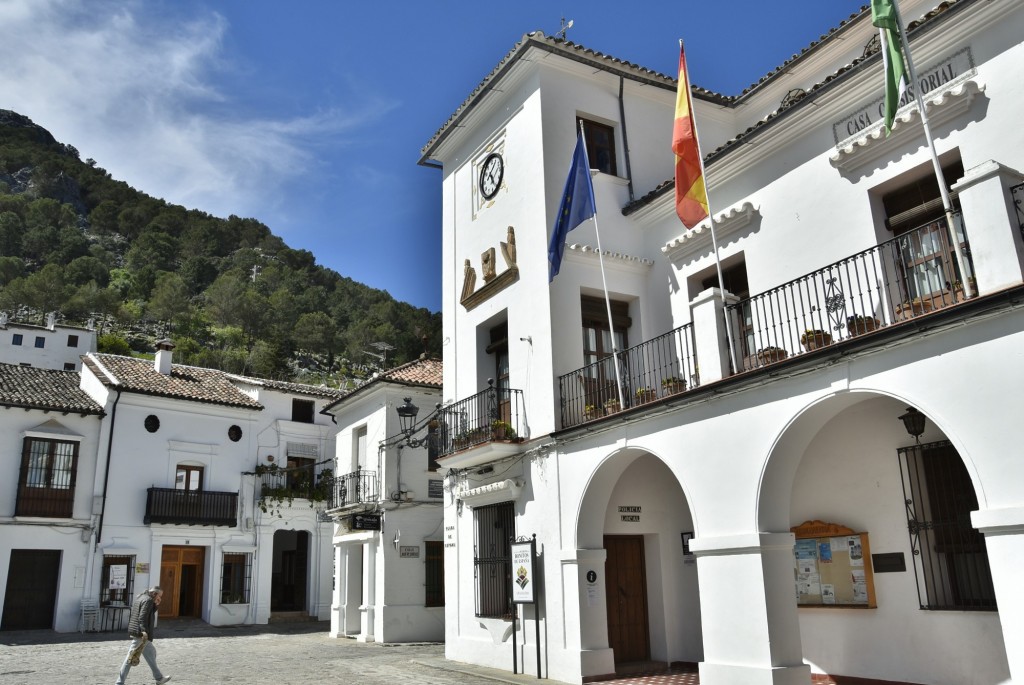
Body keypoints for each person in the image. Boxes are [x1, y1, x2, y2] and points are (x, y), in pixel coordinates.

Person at [115, 586, 171, 685]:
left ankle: (159, 677)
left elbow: (147, 613)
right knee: (130, 659)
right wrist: (144, 633)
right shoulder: (148, 600)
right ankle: (119, 682)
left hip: (137, 631)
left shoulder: (142, 597)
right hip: (140, 634)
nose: (160, 598)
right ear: (154, 594)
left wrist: (156, 604)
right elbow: (142, 617)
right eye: (159, 596)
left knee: (151, 652)